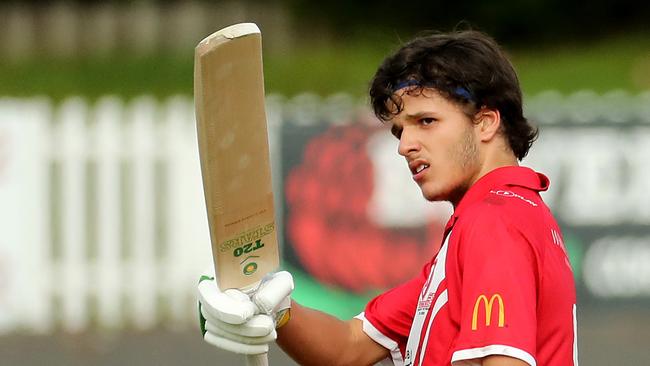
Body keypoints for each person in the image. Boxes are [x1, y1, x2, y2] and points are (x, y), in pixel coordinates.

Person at [198, 30, 578, 366]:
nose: (405, 146)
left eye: (426, 121)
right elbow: (349, 348)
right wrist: (273, 309)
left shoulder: (493, 223)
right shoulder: (501, 217)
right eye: (399, 132)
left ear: (486, 122)